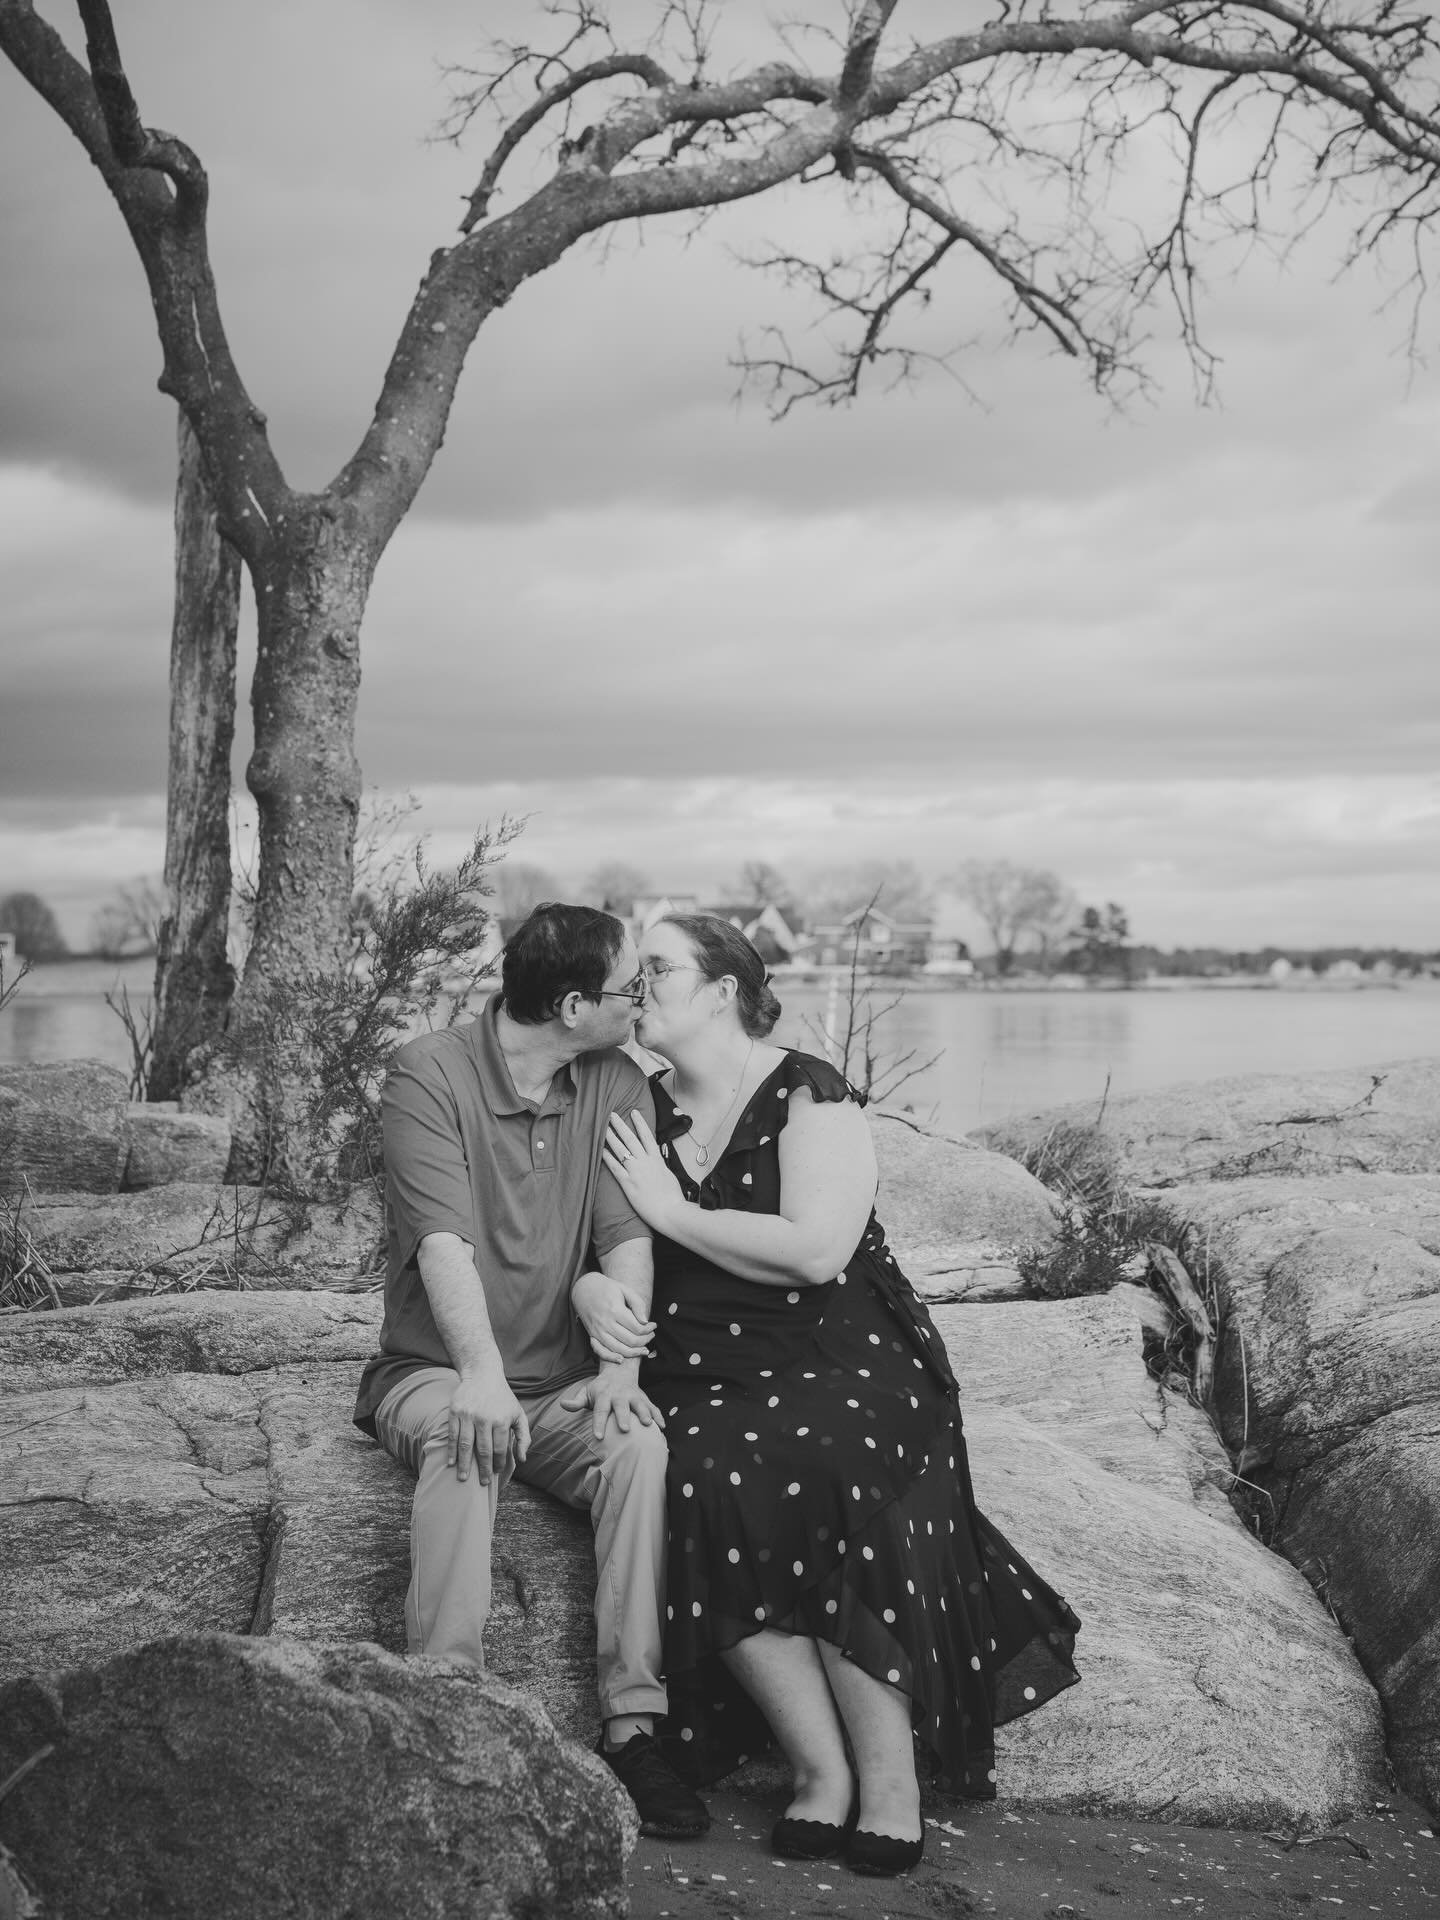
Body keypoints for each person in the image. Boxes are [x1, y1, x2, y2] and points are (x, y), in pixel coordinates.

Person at [582, 913, 1080, 1877]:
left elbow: (817, 1251)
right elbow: (588, 1247)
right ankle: (821, 1772)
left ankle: (891, 1786)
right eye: (633, 974)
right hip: (700, 1364)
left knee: (833, 1469)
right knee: (696, 1476)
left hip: (842, 1351)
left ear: (724, 989)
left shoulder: (808, 1092)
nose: (639, 989)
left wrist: (675, 1210)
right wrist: (598, 1288)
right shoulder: (632, 1108)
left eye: (659, 970)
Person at [352, 902, 709, 1840]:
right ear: (572, 1004)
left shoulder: (615, 1080)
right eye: (631, 988)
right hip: (434, 1368)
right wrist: (479, 1371)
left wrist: (619, 1363)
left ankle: (633, 1726)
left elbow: (624, 1236)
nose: (641, 1000)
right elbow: (440, 1241)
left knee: (637, 1447)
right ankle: (446, 1710)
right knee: (471, 1434)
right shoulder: (427, 1071)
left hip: (562, 1384)